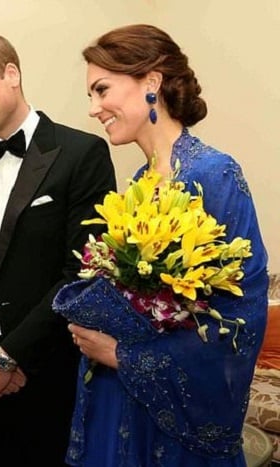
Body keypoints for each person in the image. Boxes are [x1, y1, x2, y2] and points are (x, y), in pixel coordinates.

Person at [65, 24, 268, 466]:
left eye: (102, 90)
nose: (95, 108)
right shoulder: (140, 182)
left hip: (172, 416)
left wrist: (123, 354)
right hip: (122, 402)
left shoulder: (213, 174)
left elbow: (241, 316)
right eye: (90, 96)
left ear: (151, 82)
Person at [0, 33, 116, 466]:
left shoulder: (81, 153)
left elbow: (83, 274)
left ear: (11, 74)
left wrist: (11, 358)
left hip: (50, 370)